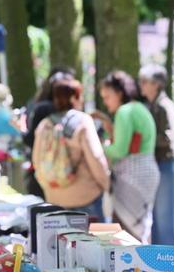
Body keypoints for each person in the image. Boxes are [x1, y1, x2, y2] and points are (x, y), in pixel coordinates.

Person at [33, 76, 110, 219]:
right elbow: (96, 158)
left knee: (60, 241)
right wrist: (106, 184)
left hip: (55, 198)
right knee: (95, 240)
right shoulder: (83, 121)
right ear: (74, 98)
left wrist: (50, 187)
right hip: (85, 197)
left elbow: (37, 161)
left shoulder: (45, 125)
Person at [95, 71, 159, 243]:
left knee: (127, 234)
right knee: (142, 228)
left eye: (107, 96)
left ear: (119, 93)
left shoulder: (124, 112)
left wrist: (99, 147)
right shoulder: (139, 108)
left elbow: (120, 150)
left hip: (132, 176)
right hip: (148, 172)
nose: (105, 101)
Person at [140, 65, 174, 246]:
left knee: (168, 214)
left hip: (167, 164)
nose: (141, 85)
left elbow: (169, 137)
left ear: (157, 84)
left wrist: (144, 141)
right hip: (160, 163)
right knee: (159, 215)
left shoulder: (164, 105)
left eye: (145, 81)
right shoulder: (154, 105)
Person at [24, 68, 76, 197]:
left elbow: (31, 140)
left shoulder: (41, 108)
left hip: (44, 172)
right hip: (67, 172)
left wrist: (21, 129)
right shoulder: (74, 115)